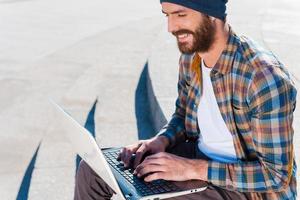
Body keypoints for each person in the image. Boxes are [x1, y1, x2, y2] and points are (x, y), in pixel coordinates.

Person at [74, 0, 298, 199]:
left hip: (246, 189)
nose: (171, 27)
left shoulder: (263, 78)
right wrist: (160, 141)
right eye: (167, 15)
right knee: (93, 169)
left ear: (212, 14)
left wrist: (191, 169)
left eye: (180, 15)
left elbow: (275, 176)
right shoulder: (191, 57)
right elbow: (182, 114)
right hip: (197, 160)